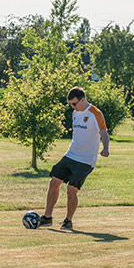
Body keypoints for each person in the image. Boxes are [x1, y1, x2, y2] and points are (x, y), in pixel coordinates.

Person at [40, 86, 110, 230]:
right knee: (54, 182)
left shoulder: (95, 113)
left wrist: (106, 148)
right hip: (71, 155)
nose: (72, 107)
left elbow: (104, 132)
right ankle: (47, 218)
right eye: (70, 104)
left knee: (71, 190)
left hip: (86, 160)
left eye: (74, 103)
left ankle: (68, 220)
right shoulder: (75, 113)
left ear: (82, 99)